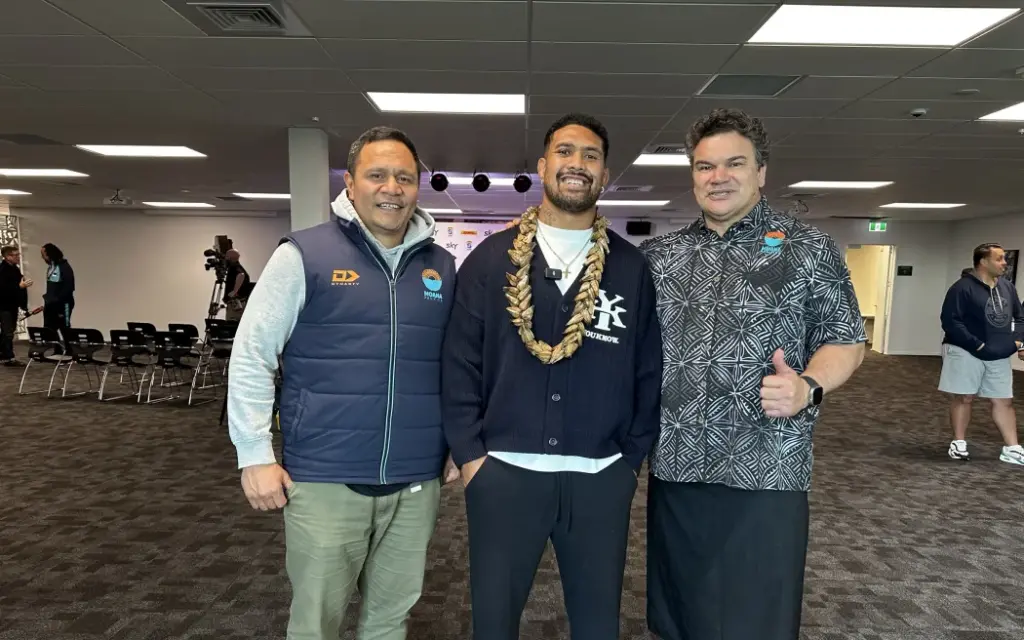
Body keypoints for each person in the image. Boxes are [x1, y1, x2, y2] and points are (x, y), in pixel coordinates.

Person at [639, 107, 867, 640]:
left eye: (733, 164)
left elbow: (847, 339)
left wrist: (807, 385)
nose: (718, 177)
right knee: (680, 613)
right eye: (704, 166)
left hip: (767, 468)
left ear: (761, 171)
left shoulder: (809, 249)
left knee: (756, 617)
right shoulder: (658, 257)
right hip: (678, 465)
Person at [227, 125, 459, 640]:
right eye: (377, 175)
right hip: (326, 478)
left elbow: (453, 367)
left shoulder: (441, 267)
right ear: (350, 184)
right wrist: (254, 453)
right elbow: (251, 355)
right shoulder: (304, 256)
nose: (391, 188)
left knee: (390, 620)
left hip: (415, 479)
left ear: (418, 186)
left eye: (404, 177)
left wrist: (456, 442)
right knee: (317, 625)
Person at [441, 112, 663, 640]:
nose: (577, 164)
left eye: (590, 156)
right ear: (543, 166)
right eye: (565, 152)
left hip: (600, 477)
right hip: (504, 474)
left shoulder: (630, 269)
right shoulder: (491, 262)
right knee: (493, 623)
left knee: (596, 624)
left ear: (605, 175)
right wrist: (472, 457)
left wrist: (628, 462)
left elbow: (648, 369)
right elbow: (458, 365)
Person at [939, 243, 1024, 465]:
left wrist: (1017, 342)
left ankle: (1012, 448)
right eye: (999, 259)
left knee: (1003, 400)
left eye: (1005, 258)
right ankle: (958, 443)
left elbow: (1020, 317)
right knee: (965, 397)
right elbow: (951, 322)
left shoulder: (1007, 287)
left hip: (999, 353)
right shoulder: (962, 288)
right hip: (966, 350)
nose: (1004, 263)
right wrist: (977, 346)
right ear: (983, 262)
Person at [0, 245, 31, 365]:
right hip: (4, 306)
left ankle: (3, 354)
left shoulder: (14, 269)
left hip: (11, 305)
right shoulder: (3, 270)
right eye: (16, 255)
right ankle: (8, 357)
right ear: (7, 256)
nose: (18, 257)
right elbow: (3, 289)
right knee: (8, 332)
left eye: (19, 254)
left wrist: (23, 305)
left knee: (7, 331)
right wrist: (19, 287)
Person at [40, 243, 74, 353]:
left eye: (43, 254)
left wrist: (58, 302)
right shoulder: (51, 267)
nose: (42, 257)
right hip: (50, 303)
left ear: (50, 254)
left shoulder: (64, 267)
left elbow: (69, 287)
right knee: (51, 327)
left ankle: (70, 352)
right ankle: (57, 351)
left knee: (64, 327)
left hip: (63, 303)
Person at [223, 249, 254, 322]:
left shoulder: (234, 267)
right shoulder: (239, 267)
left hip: (235, 305)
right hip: (239, 303)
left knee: (231, 325)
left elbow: (241, 275)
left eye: (227, 257)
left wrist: (234, 291)